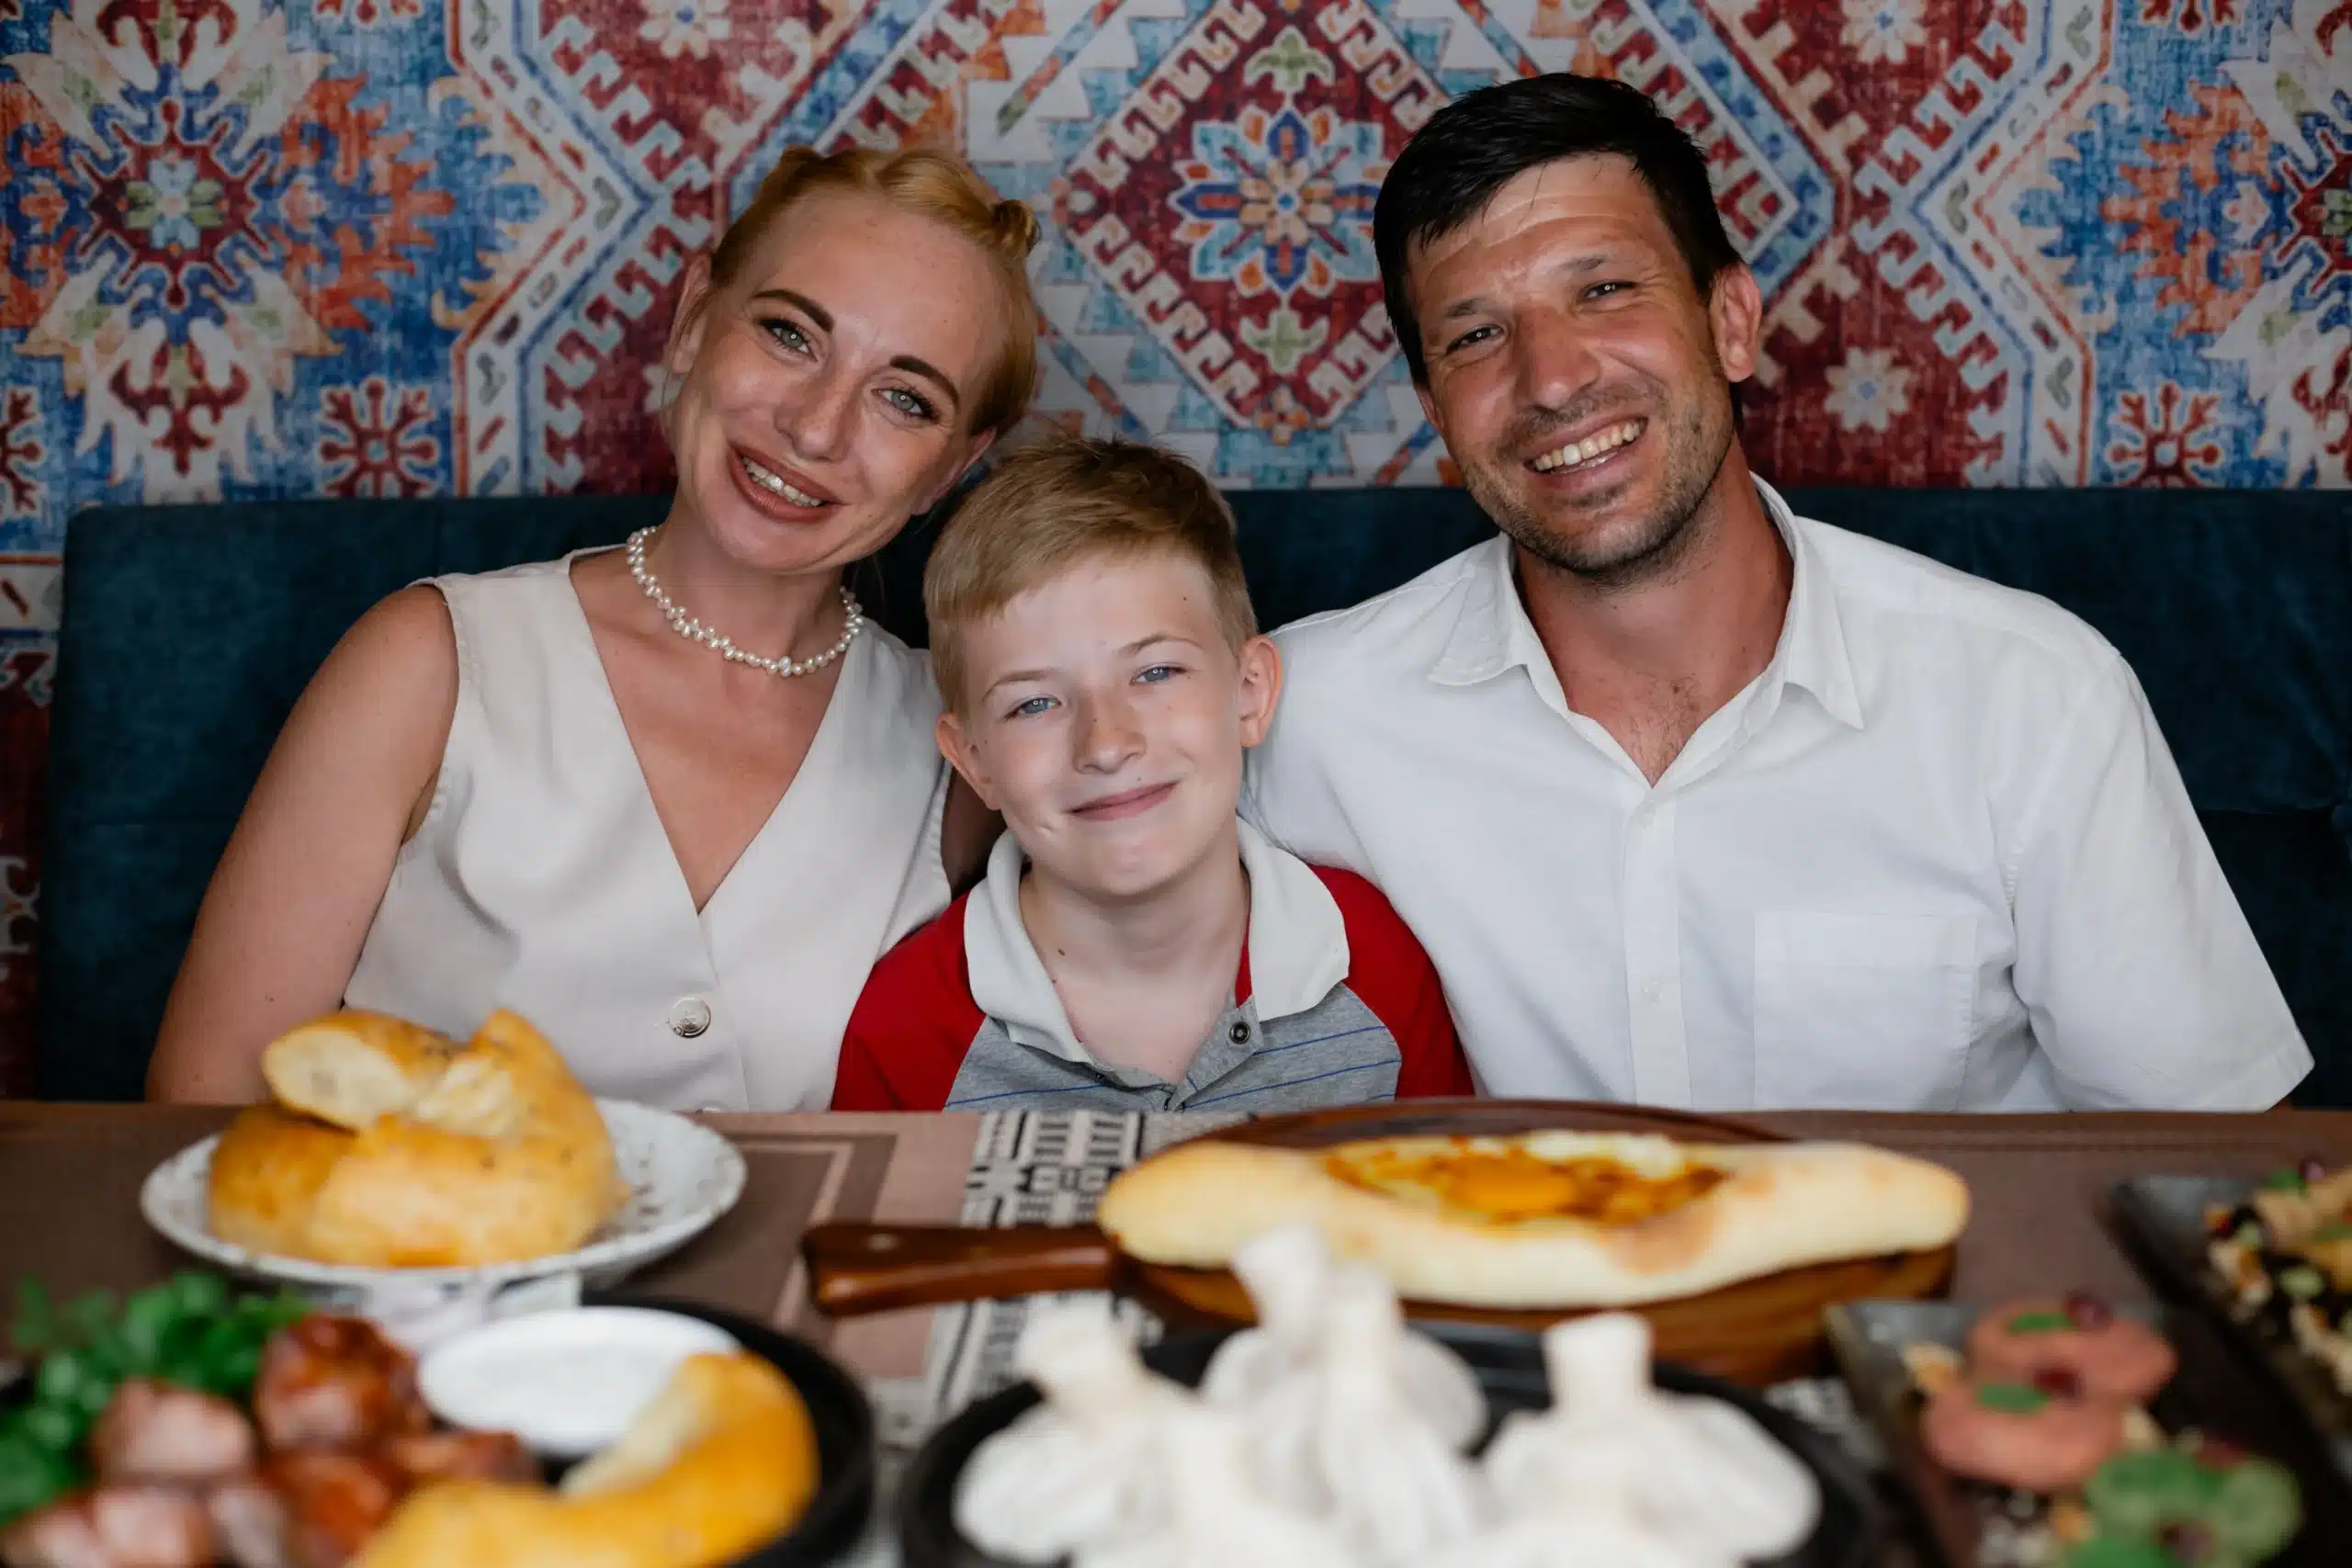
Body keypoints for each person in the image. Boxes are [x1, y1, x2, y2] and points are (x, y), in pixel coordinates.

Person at [1244, 73, 2312, 1111]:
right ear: (1435, 406)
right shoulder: (1307, 719)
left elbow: (2200, 1162)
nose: (1553, 379)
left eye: (1604, 289)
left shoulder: (2031, 698)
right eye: (1477, 335)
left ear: (1732, 322)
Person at [148, 145, 1040, 1111]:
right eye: (789, 334)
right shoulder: (429, 662)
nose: (817, 429)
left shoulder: (962, 755)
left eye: (905, 399)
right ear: (695, 317)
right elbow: (203, 1102)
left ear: (951, 467)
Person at [831, 436, 1471, 1111]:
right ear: (975, 762)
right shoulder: (902, 1025)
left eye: (1155, 671)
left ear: (1249, 693)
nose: (1106, 744)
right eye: (1034, 703)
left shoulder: (1380, 962)